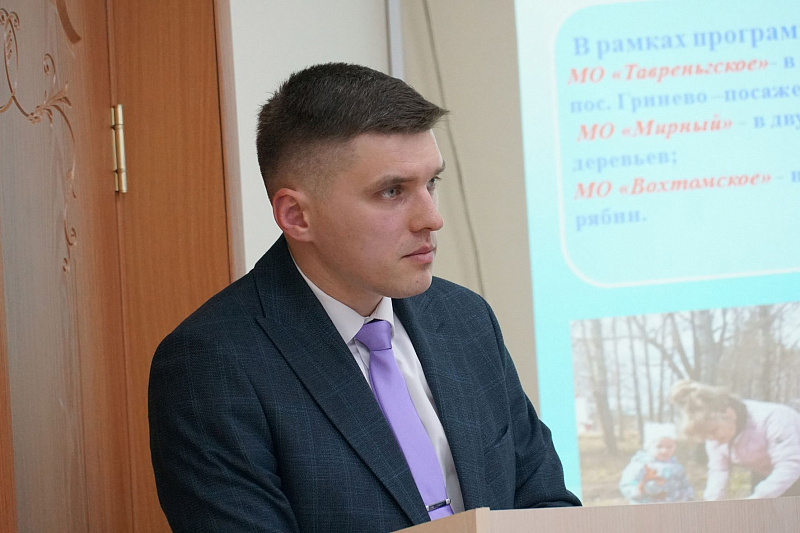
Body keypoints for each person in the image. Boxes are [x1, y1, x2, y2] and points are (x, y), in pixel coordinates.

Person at [148, 63, 580, 533]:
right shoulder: (211, 364)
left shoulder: (464, 317)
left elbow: (545, 502)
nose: (432, 219)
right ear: (296, 216)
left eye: (431, 183)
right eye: (392, 191)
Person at [669, 380, 800, 500]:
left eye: (714, 431)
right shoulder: (716, 435)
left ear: (729, 414)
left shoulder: (775, 419)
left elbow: (790, 464)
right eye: (707, 436)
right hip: (768, 474)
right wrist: (710, 505)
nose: (713, 440)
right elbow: (719, 470)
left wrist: (757, 498)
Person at [619, 422, 694, 504]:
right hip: (647, 507)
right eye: (659, 446)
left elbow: (685, 485)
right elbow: (627, 484)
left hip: (672, 507)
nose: (664, 451)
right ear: (649, 447)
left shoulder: (677, 467)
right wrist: (638, 490)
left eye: (669, 447)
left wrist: (686, 498)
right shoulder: (639, 465)